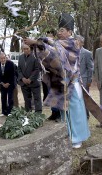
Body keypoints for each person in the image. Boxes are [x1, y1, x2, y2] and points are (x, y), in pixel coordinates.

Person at [24, 13, 90, 148]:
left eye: (62, 30)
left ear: (70, 32)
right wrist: (38, 43)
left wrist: (37, 42)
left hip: (72, 84)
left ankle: (77, 138)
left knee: (74, 112)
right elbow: (51, 52)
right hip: (62, 82)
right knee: (64, 111)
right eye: (58, 30)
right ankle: (69, 136)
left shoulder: (73, 43)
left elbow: (56, 52)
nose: (59, 33)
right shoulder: (59, 43)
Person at [17, 44, 42, 113]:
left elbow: (37, 69)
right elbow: (19, 69)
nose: (25, 50)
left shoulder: (35, 57)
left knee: (37, 98)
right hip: (24, 82)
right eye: (24, 49)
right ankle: (28, 113)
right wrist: (22, 78)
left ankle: (38, 114)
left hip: (34, 82)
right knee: (27, 99)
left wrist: (30, 79)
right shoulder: (21, 57)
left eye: (27, 48)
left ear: (30, 49)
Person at [76, 35, 94, 118]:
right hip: (74, 79)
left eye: (77, 40)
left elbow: (90, 68)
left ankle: (86, 114)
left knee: (85, 97)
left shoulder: (87, 53)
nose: (75, 42)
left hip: (84, 79)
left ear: (82, 43)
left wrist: (89, 80)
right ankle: (79, 114)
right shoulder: (72, 52)